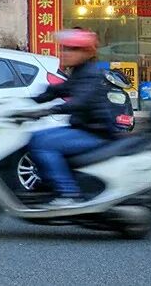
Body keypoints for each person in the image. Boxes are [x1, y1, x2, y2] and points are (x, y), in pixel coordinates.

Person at [27, 29, 121, 208]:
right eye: (64, 48)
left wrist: (51, 109)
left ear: (86, 53)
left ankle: (69, 193)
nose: (65, 53)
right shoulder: (80, 71)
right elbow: (60, 89)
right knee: (36, 137)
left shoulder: (91, 74)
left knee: (43, 144)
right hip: (82, 128)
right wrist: (32, 100)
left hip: (95, 133)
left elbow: (80, 102)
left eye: (72, 49)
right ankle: (50, 185)